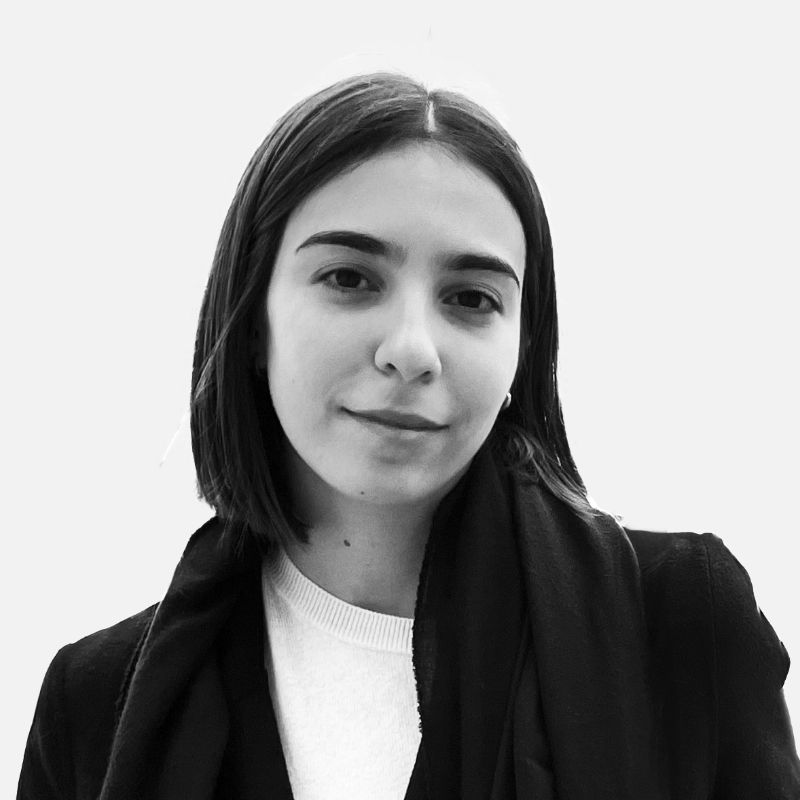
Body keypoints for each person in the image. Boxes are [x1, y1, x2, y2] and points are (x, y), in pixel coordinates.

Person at [17, 72, 800, 800]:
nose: (413, 349)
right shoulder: (93, 704)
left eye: (471, 298)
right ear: (252, 318)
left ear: (521, 350)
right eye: (350, 279)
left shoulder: (677, 625)